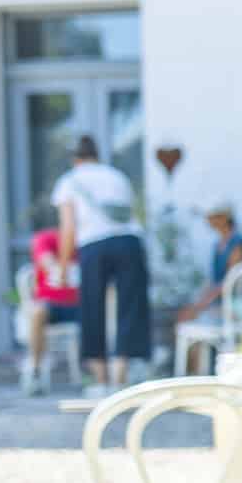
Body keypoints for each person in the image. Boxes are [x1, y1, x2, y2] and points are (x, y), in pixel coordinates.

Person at [52, 134, 150, 398]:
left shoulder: (69, 182)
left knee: (92, 307)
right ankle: (121, 373)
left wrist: (62, 268)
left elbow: (69, 228)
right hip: (129, 242)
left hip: (94, 245)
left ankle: (100, 377)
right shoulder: (117, 177)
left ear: (75, 159)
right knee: (130, 304)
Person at [175, 199, 242, 373]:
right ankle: (194, 373)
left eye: (212, 217)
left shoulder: (237, 243)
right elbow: (213, 282)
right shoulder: (218, 245)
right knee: (186, 315)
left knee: (190, 317)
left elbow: (229, 282)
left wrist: (200, 306)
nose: (209, 221)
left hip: (238, 305)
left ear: (224, 217)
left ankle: (193, 374)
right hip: (222, 303)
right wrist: (198, 304)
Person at [21, 216, 81, 395]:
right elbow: (48, 263)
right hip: (52, 304)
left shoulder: (87, 241)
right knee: (37, 312)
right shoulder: (46, 238)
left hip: (82, 305)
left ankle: (99, 373)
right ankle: (35, 370)